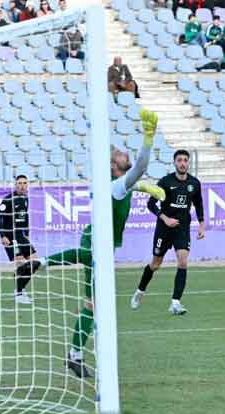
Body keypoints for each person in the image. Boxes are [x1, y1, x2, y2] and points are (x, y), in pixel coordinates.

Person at [41, 111, 162, 378]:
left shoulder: (116, 183)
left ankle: (75, 354)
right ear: (112, 165)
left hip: (98, 241)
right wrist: (148, 138)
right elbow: (139, 168)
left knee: (92, 304)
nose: (123, 153)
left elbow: (131, 183)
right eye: (119, 153)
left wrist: (145, 189)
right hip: (97, 244)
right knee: (95, 304)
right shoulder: (116, 184)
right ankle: (41, 263)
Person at [130, 149, 205, 316]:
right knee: (155, 264)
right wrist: (165, 218)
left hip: (182, 228)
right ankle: (140, 291)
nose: (183, 163)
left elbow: (199, 203)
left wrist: (201, 224)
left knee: (183, 261)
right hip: (164, 228)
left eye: (185, 160)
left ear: (188, 163)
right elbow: (151, 204)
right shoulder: (165, 182)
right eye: (179, 160)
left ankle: (175, 302)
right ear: (174, 163)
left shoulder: (194, 183)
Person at [0, 175, 41, 304]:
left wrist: (26, 233)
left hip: (21, 236)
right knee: (21, 264)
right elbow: (0, 218)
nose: (22, 185)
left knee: (35, 262)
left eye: (24, 183)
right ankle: (19, 293)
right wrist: (3, 235)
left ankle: (20, 287)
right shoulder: (8, 200)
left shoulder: (25, 198)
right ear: (15, 185)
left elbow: (25, 216)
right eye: (19, 183)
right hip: (10, 236)